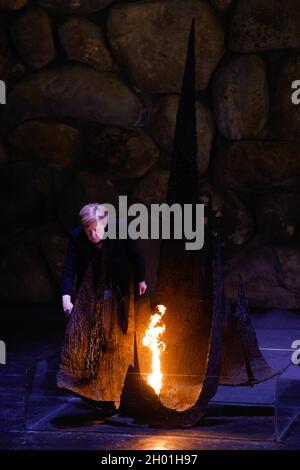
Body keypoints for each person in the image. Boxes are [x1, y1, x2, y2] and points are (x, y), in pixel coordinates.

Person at [61, 202, 147, 318]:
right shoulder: (76, 237)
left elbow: (136, 255)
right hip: (90, 287)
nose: (92, 235)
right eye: (88, 231)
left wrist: (141, 279)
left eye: (96, 229)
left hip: (119, 280)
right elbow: (68, 271)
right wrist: (66, 298)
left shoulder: (122, 228)